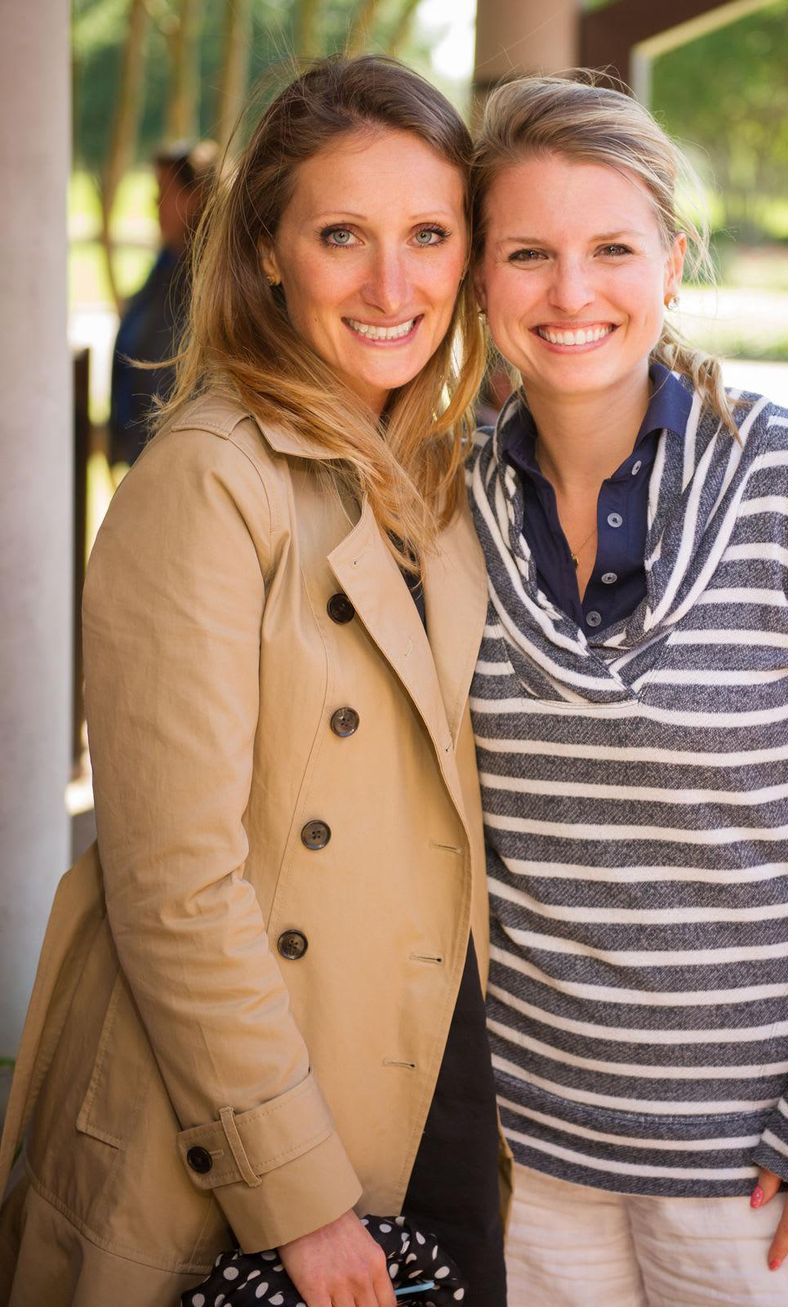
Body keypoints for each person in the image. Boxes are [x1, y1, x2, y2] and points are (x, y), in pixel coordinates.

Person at [0, 56, 507, 1307]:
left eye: (428, 234)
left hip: (428, 1082)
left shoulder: (437, 477)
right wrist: (301, 1193)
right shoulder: (210, 479)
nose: (394, 285)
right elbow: (174, 878)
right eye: (343, 234)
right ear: (269, 251)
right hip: (246, 1126)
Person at [465, 76, 788, 1306]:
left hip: (767, 1175)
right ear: (479, 277)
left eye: (609, 249)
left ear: (671, 263)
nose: (570, 294)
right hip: (531, 1161)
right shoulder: (443, 508)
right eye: (526, 253)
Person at [108, 140, 218, 469]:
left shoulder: (209, 281)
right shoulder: (166, 265)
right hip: (144, 449)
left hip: (177, 459)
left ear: (194, 197)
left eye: (163, 191)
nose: (154, 203)